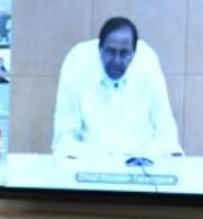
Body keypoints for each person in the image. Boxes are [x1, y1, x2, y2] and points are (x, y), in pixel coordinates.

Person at [52, 16, 184, 159]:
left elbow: (166, 132)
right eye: (110, 52)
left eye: (124, 53)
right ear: (99, 49)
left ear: (134, 53)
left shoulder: (147, 62)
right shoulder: (78, 64)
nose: (116, 61)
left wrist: (143, 155)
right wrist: (102, 159)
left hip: (140, 165)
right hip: (90, 164)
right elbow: (64, 139)